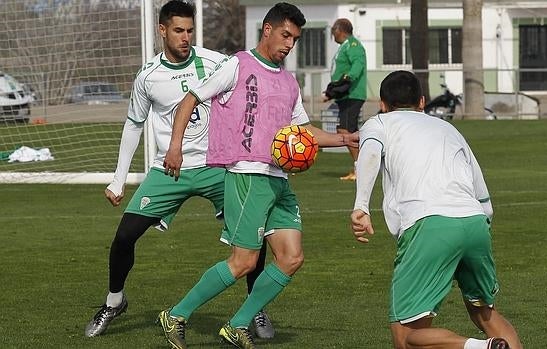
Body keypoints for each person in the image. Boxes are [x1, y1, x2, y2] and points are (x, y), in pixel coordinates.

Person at [157, 3, 358, 349]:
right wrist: (174, 147)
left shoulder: (288, 81)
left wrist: (343, 138)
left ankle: (237, 324)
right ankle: (176, 314)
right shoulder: (237, 65)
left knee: (292, 258)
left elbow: (304, 129)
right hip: (248, 175)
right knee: (244, 262)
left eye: (295, 39)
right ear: (267, 30)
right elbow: (190, 98)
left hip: (279, 179)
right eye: (285, 36)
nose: (289, 45)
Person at [84, 0, 274, 339]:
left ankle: (254, 308)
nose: (185, 37)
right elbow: (133, 125)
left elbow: (252, 80)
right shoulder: (147, 76)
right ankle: (114, 301)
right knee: (125, 236)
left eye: (189, 30)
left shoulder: (216, 62)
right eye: (178, 30)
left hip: (217, 167)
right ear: (162, 30)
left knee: (253, 236)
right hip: (167, 170)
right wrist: (118, 179)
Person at [350, 70, 522, 349]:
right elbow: (483, 198)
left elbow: (369, 153)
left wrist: (361, 206)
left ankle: (482, 347)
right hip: (475, 222)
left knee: (406, 337)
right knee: (484, 313)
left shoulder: (379, 123)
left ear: (382, 104)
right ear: (421, 102)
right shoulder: (449, 128)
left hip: (428, 224)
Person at [324, 18, 367, 181]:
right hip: (345, 96)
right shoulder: (344, 46)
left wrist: (347, 79)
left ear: (340, 30)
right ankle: (363, 166)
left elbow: (357, 64)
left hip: (353, 95)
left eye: (333, 30)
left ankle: (360, 169)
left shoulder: (353, 45)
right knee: (353, 133)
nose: (332, 34)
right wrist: (332, 91)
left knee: (345, 131)